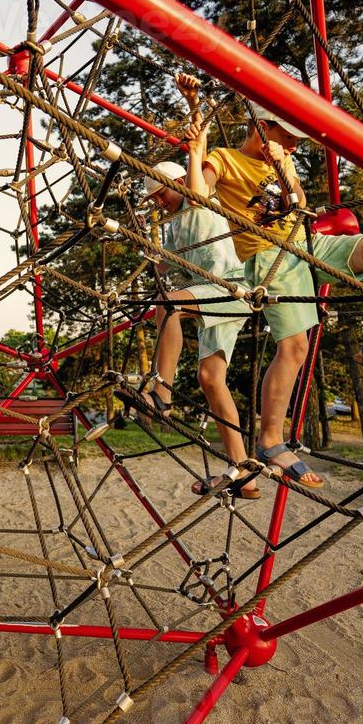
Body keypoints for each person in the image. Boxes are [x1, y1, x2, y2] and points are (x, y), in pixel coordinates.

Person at [185, 73, 363, 488]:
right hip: (267, 258)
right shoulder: (225, 159)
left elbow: (299, 202)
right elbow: (199, 196)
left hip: (308, 243)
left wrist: (282, 164)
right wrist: (196, 149)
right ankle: (271, 440)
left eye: (297, 139)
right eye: (287, 135)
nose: (294, 144)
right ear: (261, 125)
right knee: (294, 347)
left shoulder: (283, 158)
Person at [142, 90, 264, 498]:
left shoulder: (201, 200)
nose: (159, 202)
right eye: (153, 199)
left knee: (171, 304)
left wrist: (195, 119)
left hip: (233, 289)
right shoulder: (174, 226)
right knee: (211, 378)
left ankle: (163, 387)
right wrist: (148, 252)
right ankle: (242, 471)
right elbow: (165, 268)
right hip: (213, 296)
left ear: (179, 182)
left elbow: (197, 166)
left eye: (161, 193)